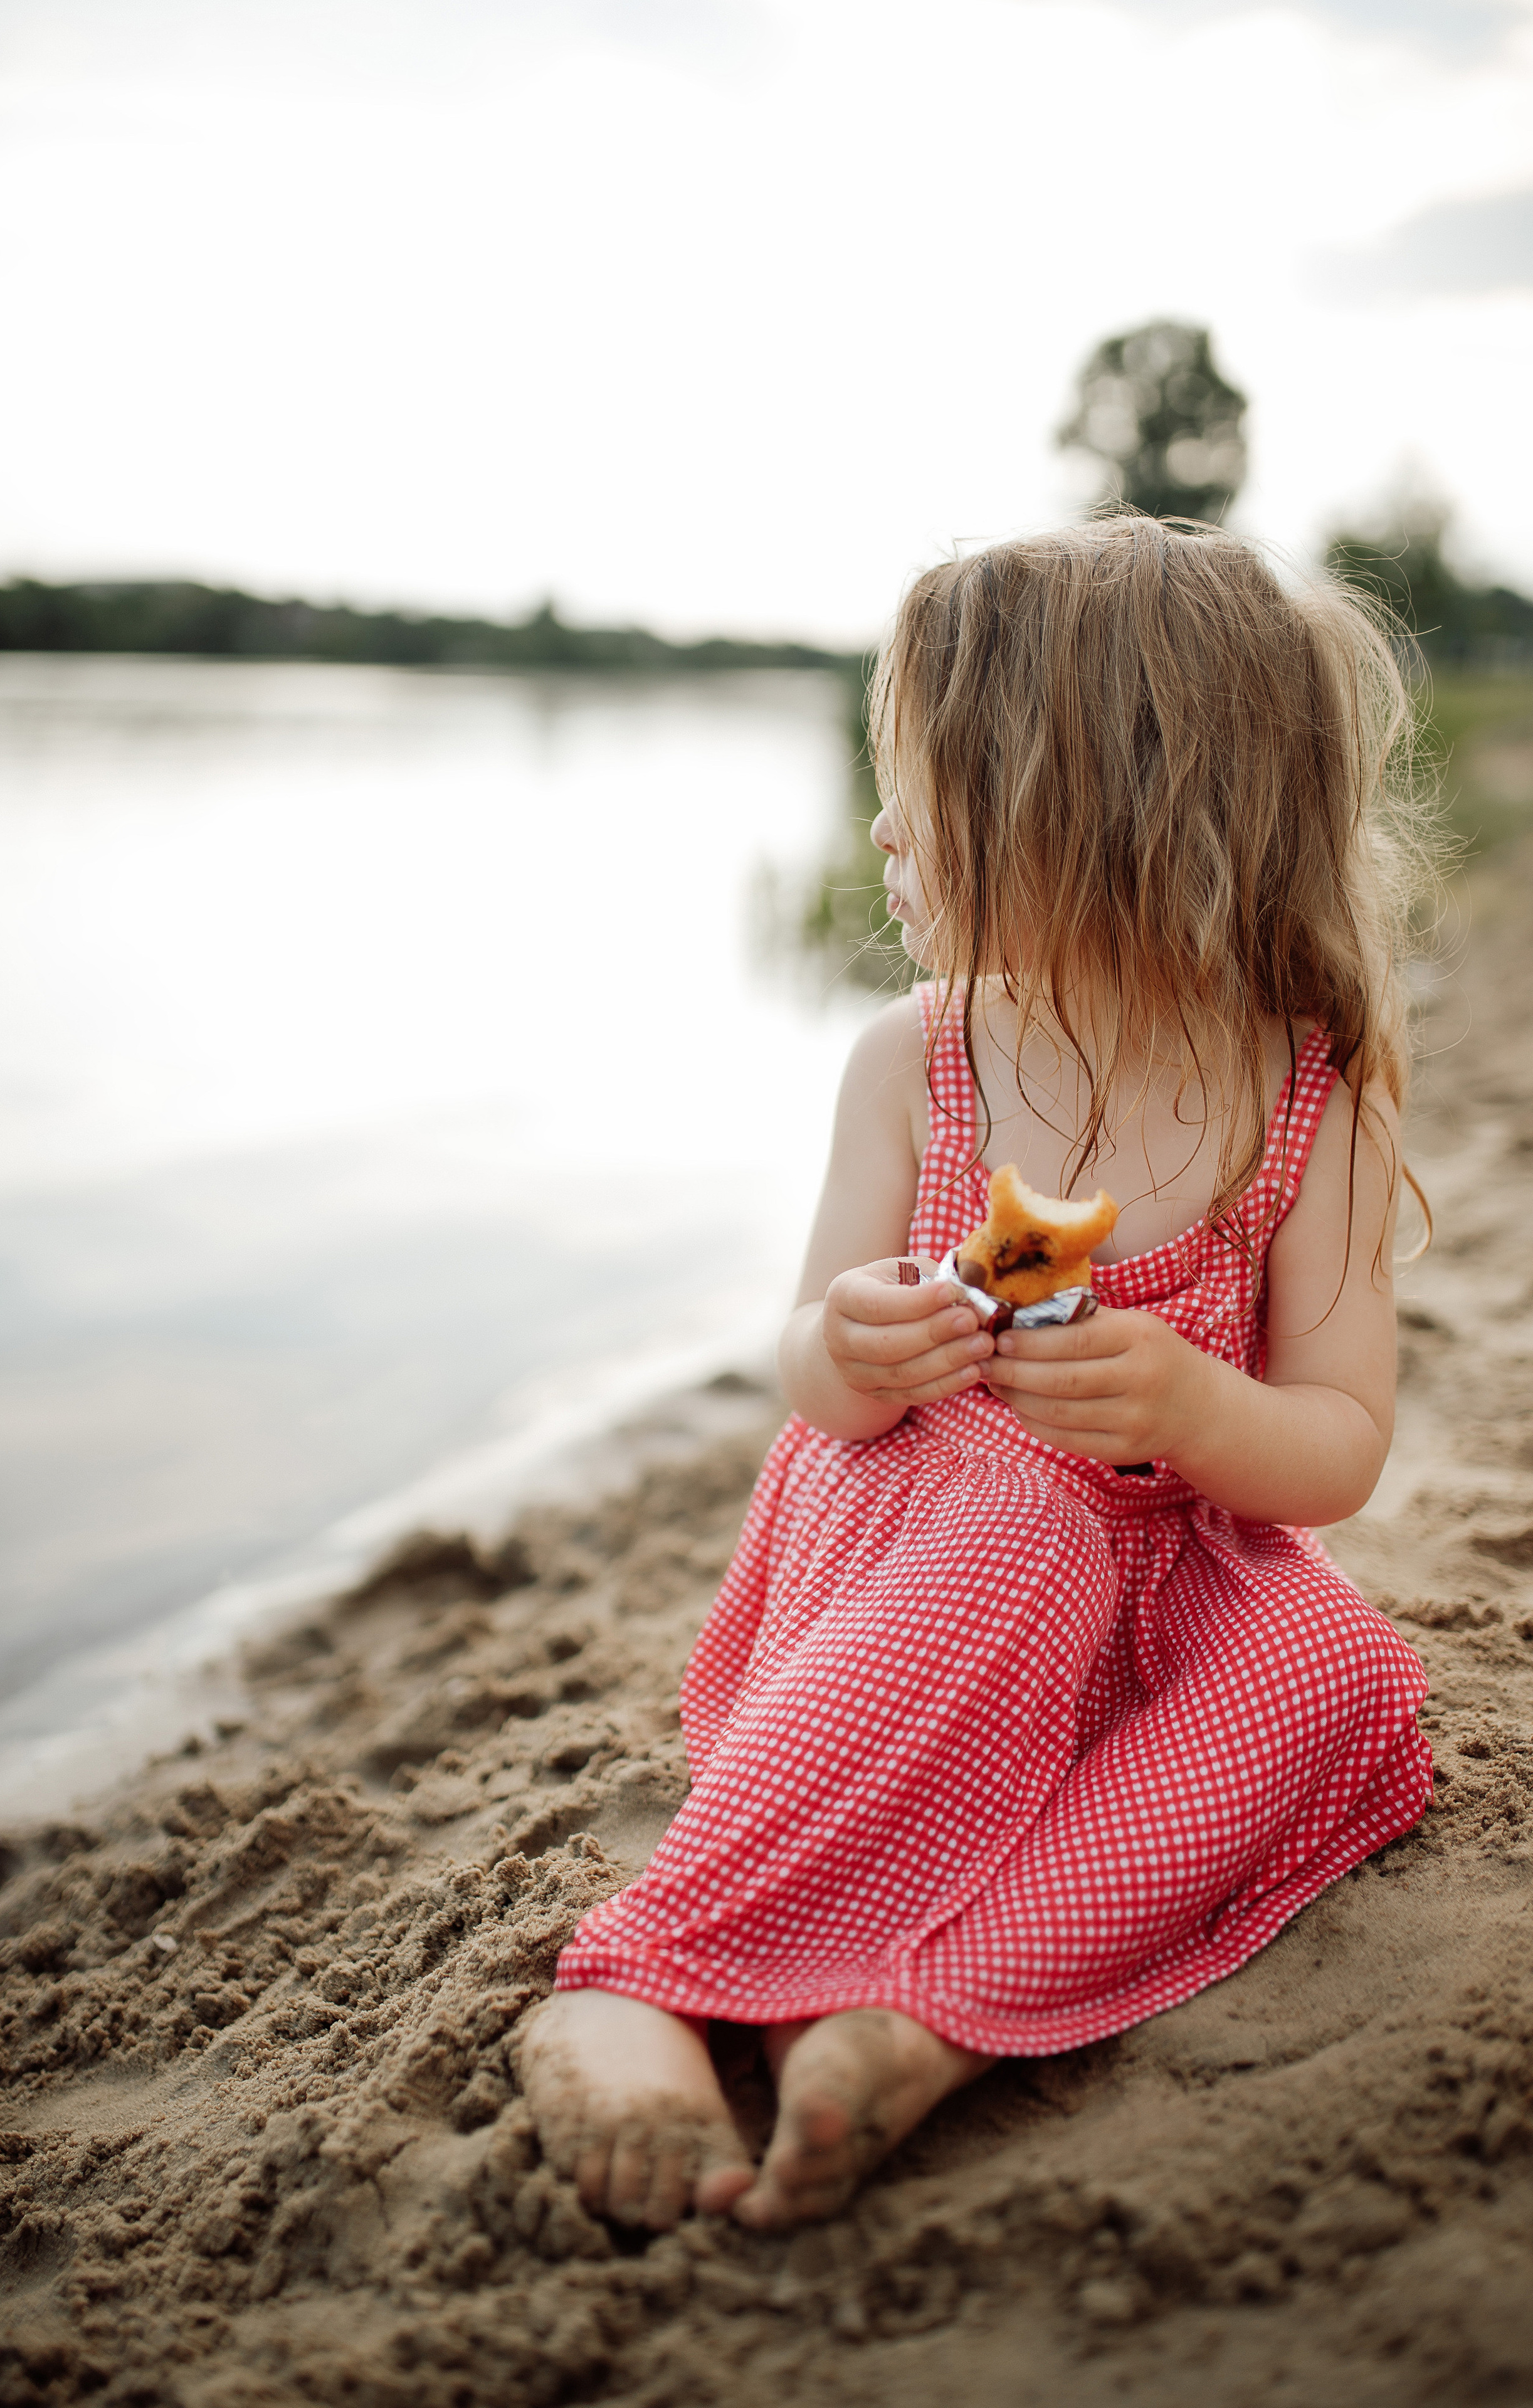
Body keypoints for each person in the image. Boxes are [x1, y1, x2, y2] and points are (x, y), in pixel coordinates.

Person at [521, 517, 1437, 2234]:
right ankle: (644, 1974)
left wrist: (1192, 1411)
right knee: (1023, 1517)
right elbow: (813, 1368)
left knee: (1345, 1667)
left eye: (922, 789)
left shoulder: (1312, 1099)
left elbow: (1339, 1448)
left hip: (1167, 1585)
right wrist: (853, 1348)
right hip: (927, 1566)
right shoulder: (919, 1061)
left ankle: (919, 2010)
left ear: (1080, 821)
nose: (879, 830)